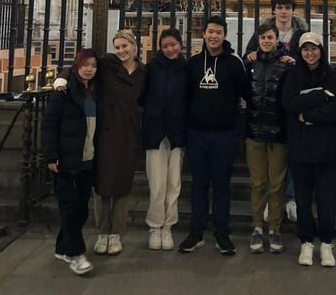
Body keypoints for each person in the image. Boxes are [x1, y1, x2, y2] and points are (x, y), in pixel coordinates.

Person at [179, 15, 248, 255]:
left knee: (222, 185)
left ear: (225, 35)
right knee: (198, 184)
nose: (214, 36)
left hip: (225, 134)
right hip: (197, 133)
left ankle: (222, 232)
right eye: (210, 31)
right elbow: (186, 96)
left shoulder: (234, 63)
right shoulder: (194, 62)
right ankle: (196, 231)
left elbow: (246, 93)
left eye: (218, 32)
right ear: (204, 33)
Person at [282, 32, 336, 267]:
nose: (310, 53)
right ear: (300, 52)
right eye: (305, 49)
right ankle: (306, 242)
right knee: (302, 198)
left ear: (321, 49)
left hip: (327, 149)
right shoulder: (293, 75)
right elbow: (289, 104)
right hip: (300, 149)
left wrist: (308, 113)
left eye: (314, 48)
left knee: (327, 199)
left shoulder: (332, 75)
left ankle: (327, 242)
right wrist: (320, 97)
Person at [245, 0, 307, 222]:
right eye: (279, 7)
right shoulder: (263, 32)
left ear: (293, 10)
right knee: (271, 164)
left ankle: (288, 198)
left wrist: (295, 62)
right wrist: (250, 55)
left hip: (291, 100)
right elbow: (249, 56)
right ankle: (272, 206)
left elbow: (311, 58)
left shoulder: (300, 33)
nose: (283, 11)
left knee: (291, 153)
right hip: (267, 105)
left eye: (287, 7)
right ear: (274, 10)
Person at [42, 49, 98, 276]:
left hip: (87, 157)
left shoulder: (93, 90)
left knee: (82, 207)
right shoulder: (63, 91)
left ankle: (62, 247)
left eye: (93, 65)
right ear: (76, 65)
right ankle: (76, 254)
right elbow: (49, 124)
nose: (89, 69)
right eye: (85, 64)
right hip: (65, 157)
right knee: (69, 206)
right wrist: (51, 155)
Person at [92, 29, 145, 256]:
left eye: (125, 46)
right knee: (102, 185)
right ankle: (102, 231)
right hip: (106, 131)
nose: (121, 50)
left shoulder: (144, 72)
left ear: (134, 46)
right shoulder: (106, 65)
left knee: (123, 185)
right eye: (118, 47)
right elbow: (82, 65)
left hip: (129, 132)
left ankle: (117, 234)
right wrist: (62, 78)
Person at [243, 22, 293, 254]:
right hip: (254, 131)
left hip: (278, 133)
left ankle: (274, 228)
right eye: (262, 37)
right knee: (257, 183)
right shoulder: (249, 63)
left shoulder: (287, 65)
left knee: (276, 184)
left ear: (277, 40)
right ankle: (257, 227)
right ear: (258, 40)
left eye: (270, 37)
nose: (266, 41)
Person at [141, 27, 188, 251]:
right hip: (155, 130)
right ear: (160, 47)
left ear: (181, 44)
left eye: (174, 44)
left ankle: (168, 225)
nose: (170, 49)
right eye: (166, 45)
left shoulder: (187, 69)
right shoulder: (151, 68)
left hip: (178, 131)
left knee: (174, 183)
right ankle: (154, 225)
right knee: (157, 183)